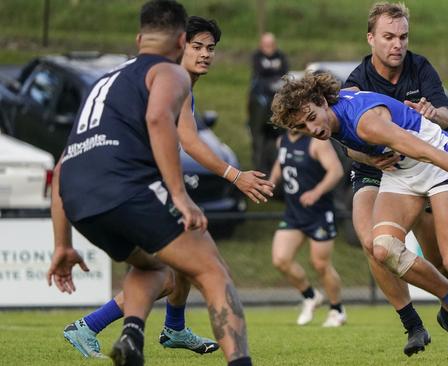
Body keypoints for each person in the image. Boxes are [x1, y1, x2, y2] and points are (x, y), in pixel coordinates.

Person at [270, 72, 448, 363]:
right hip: (400, 172)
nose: (312, 128)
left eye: (312, 117)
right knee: (382, 248)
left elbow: (425, 151)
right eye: (302, 125)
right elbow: (350, 145)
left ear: (322, 101)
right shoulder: (332, 119)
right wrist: (368, 159)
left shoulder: (366, 122)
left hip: (436, 162)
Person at [47, 2, 260, 365]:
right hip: (126, 188)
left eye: (211, 48)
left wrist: (62, 244)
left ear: (139, 38)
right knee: (212, 270)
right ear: (180, 41)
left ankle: (135, 334)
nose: (205, 54)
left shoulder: (104, 81)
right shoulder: (170, 74)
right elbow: (162, 121)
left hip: (79, 199)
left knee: (156, 267)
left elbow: (64, 164)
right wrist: (181, 195)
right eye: (197, 46)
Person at [341, 2, 448, 358]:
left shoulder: (420, 66)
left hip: (422, 167)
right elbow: (347, 147)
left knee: (444, 259)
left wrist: (435, 113)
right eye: (388, 37)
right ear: (370, 38)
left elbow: (446, 115)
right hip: (376, 168)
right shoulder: (356, 82)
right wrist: (369, 156)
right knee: (372, 241)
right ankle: (412, 324)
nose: (397, 44)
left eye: (402, 36)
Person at [269, 130, 346, 327]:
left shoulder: (317, 142)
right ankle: (311, 296)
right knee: (280, 259)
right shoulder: (283, 140)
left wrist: (316, 192)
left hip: (319, 213)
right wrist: (270, 183)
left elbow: (336, 171)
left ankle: (337, 310)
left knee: (320, 264)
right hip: (294, 213)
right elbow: (281, 163)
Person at [248, 32, 290, 174]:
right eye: (266, 45)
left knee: (279, 134)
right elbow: (260, 75)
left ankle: (278, 166)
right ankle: (259, 168)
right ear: (261, 45)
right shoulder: (256, 57)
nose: (269, 48)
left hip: (278, 102)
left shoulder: (281, 56)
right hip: (260, 104)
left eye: (271, 45)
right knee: (259, 137)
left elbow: (285, 75)